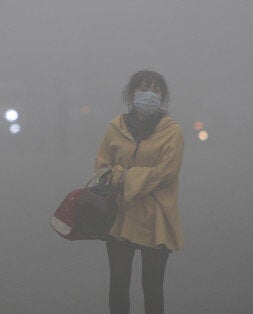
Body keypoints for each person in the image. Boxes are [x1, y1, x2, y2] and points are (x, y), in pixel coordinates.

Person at [95, 69, 184, 314]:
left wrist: (124, 177)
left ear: (163, 97)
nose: (149, 94)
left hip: (156, 219)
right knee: (119, 282)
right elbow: (102, 168)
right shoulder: (115, 127)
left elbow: (166, 172)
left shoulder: (172, 131)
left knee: (153, 287)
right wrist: (127, 177)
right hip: (119, 217)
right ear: (131, 93)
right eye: (144, 88)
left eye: (156, 90)